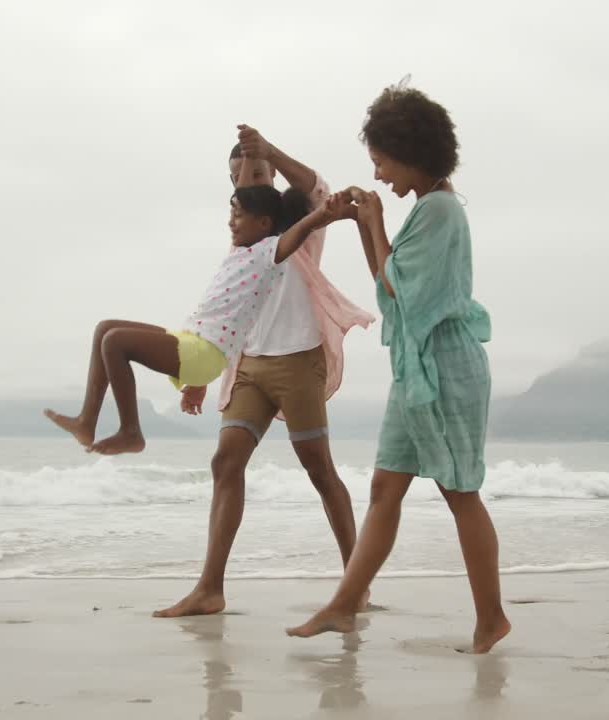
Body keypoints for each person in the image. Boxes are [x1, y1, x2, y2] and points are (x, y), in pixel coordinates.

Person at [287, 85, 512, 654]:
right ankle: (343, 605)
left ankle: (492, 620)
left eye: (382, 161)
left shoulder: (439, 211)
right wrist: (365, 223)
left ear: (411, 151)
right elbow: (388, 285)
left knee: (460, 491)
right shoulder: (430, 208)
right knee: (386, 486)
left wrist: (377, 220)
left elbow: (403, 292)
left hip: (446, 369)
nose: (380, 174)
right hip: (418, 369)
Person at [153, 127, 374, 618]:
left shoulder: (301, 225)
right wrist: (200, 374)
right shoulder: (242, 239)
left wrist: (267, 151)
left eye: (251, 172)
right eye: (233, 178)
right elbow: (222, 313)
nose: (241, 183)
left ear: (271, 175)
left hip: (298, 359)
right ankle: (210, 588)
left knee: (319, 471)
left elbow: (319, 190)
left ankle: (356, 584)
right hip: (249, 364)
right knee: (225, 464)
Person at [43, 182, 334, 455]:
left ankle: (130, 431)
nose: (231, 221)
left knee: (115, 343)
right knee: (104, 328)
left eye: (239, 215)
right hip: (192, 339)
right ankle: (86, 422)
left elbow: (297, 233)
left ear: (264, 223)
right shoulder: (241, 253)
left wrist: (325, 212)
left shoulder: (269, 253)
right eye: (231, 214)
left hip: (204, 352)